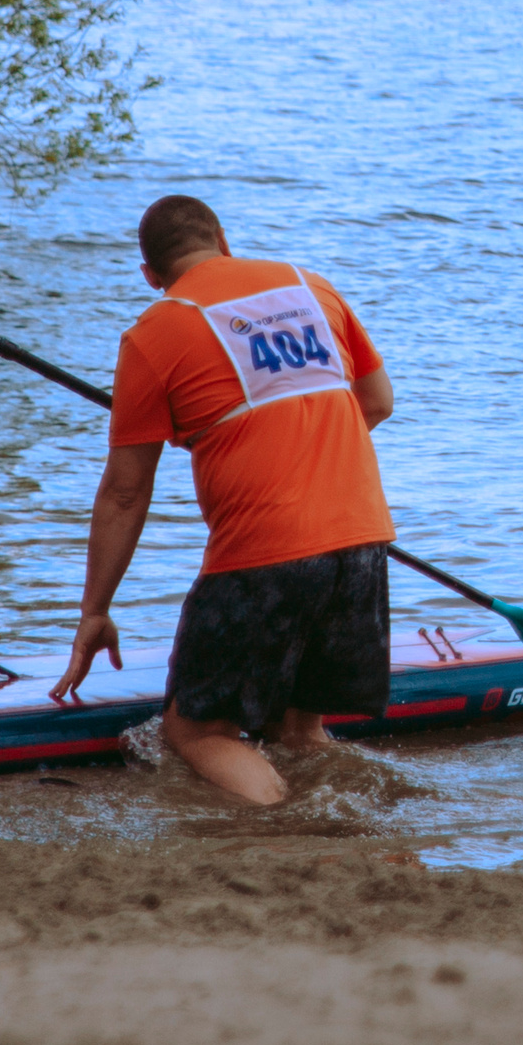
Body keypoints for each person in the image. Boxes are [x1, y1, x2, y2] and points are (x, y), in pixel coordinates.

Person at [52, 195, 397, 805]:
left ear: (150, 276)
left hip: (263, 552)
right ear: (223, 240)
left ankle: (281, 818)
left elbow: (126, 490)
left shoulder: (153, 334)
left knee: (194, 730)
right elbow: (376, 402)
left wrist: (94, 610)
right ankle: (361, 803)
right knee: (299, 727)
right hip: (362, 538)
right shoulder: (309, 286)